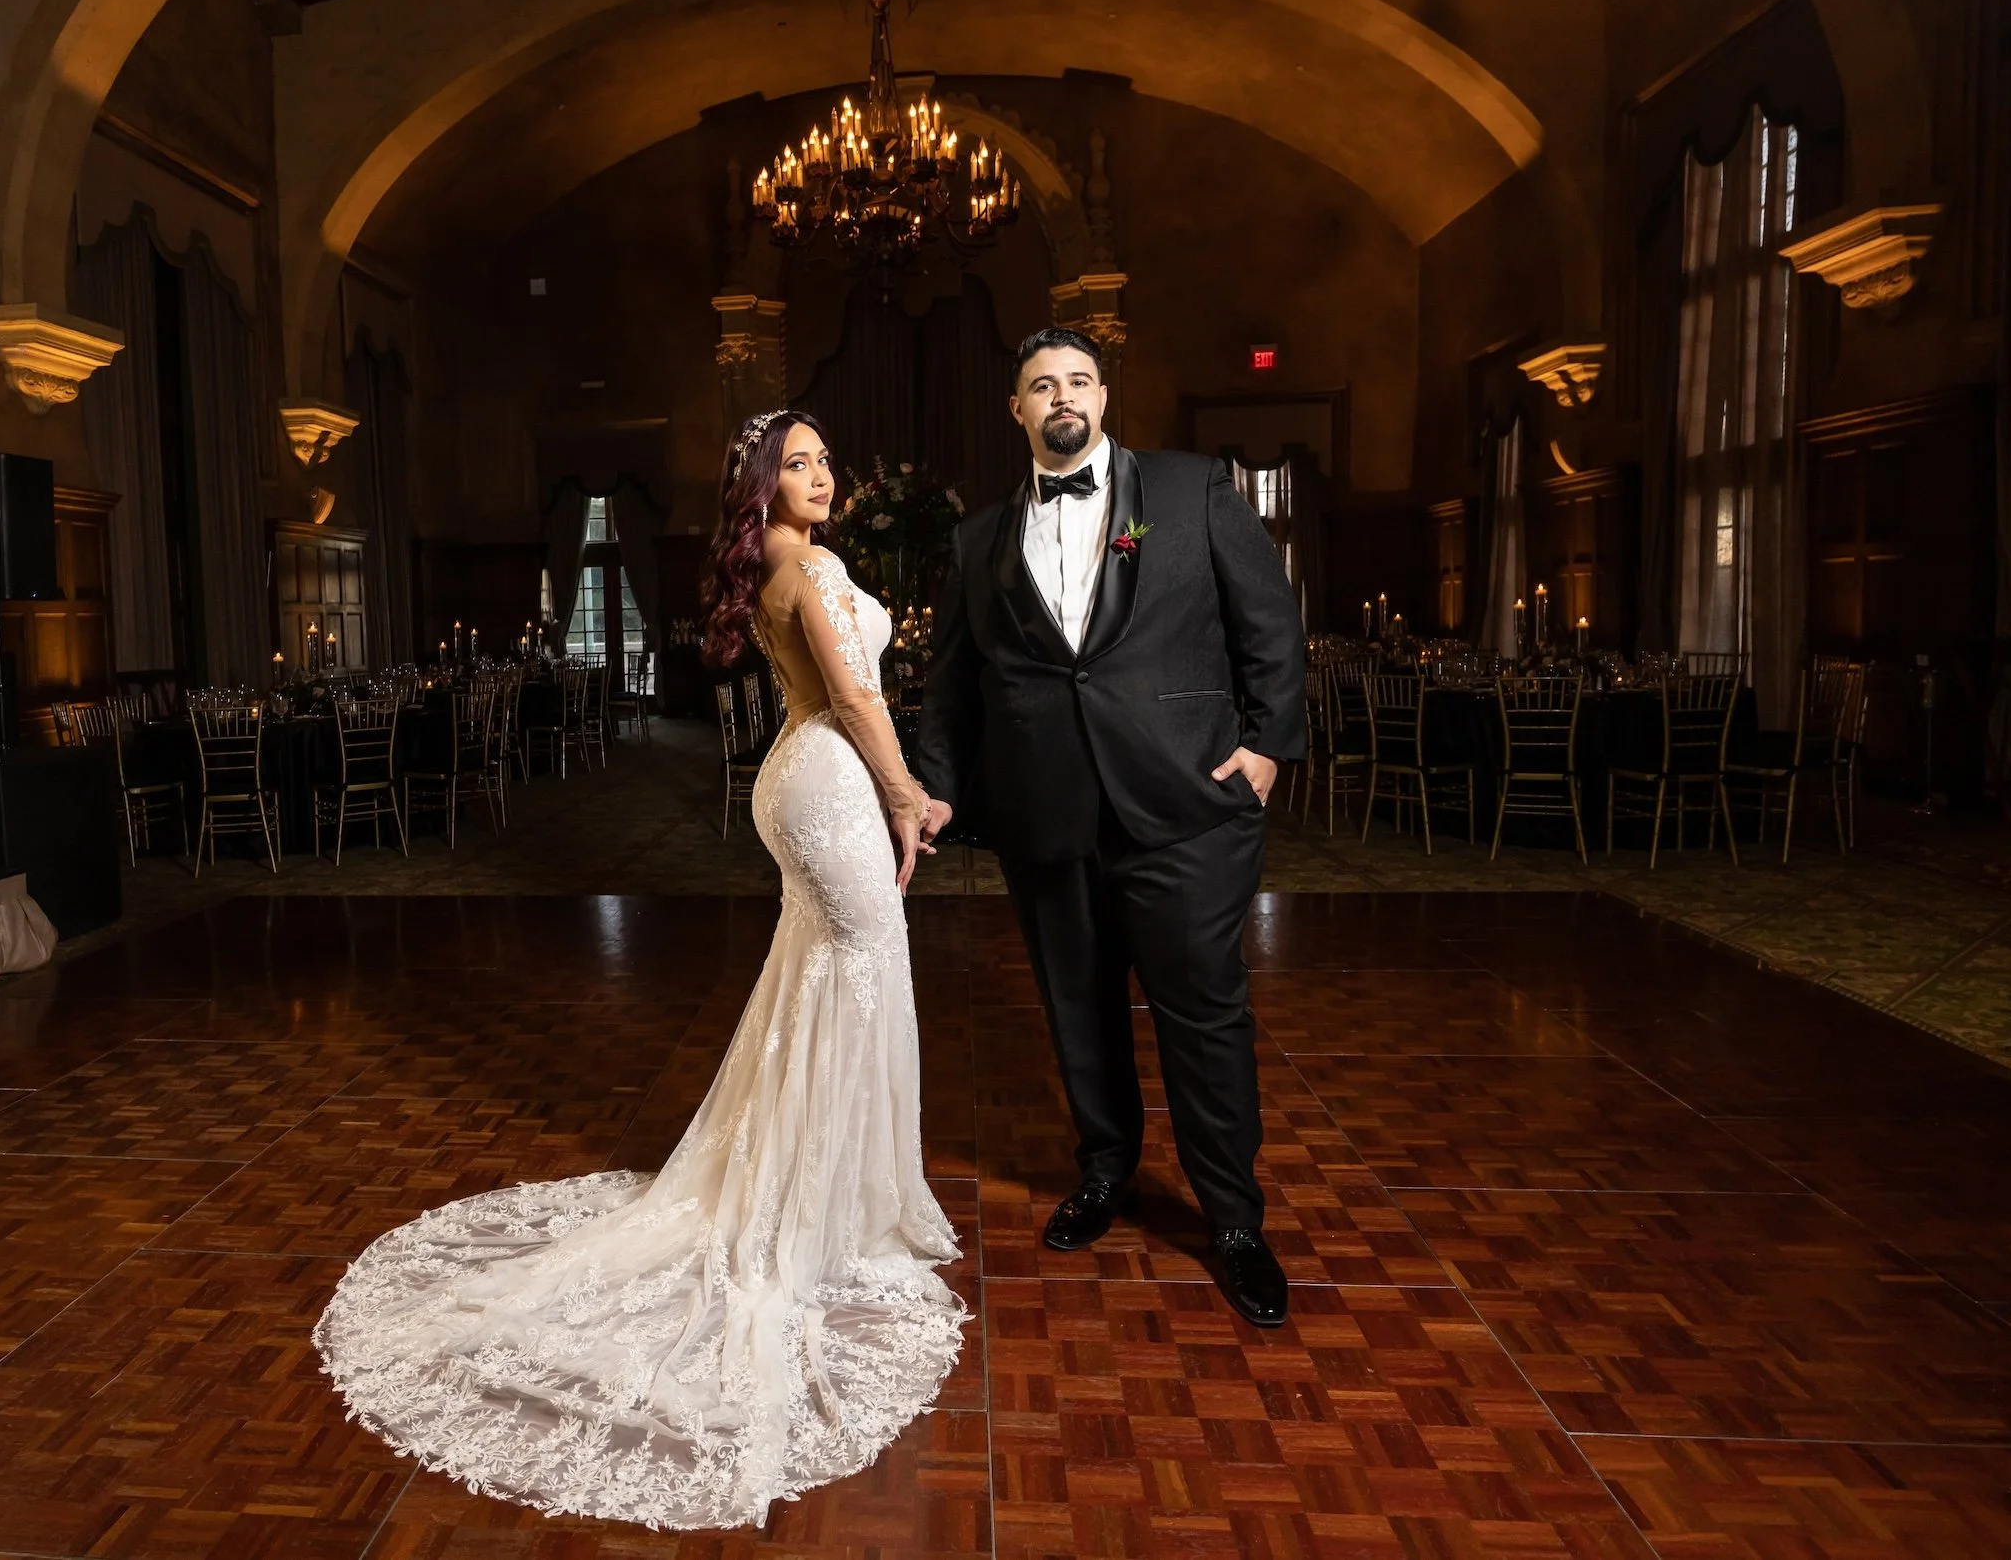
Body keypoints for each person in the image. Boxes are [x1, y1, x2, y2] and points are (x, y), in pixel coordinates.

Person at [317, 410, 961, 1530]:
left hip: (805, 778)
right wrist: (908, 795)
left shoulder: (789, 559)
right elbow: (856, 699)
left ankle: (821, 1197)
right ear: (761, 485)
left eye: (823, 458)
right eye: (795, 462)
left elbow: (850, 694)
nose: (820, 474)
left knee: (826, 976)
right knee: (857, 970)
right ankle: (820, 1215)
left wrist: (892, 794)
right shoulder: (800, 562)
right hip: (827, 775)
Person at [913, 328, 1306, 1327]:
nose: (1062, 395)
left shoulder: (1188, 489)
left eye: (1078, 379)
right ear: (1016, 408)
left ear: (1101, 394)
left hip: (1184, 807)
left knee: (1202, 1015)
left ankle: (1231, 1221)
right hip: (1046, 813)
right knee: (1077, 1013)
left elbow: (1269, 621)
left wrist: (1265, 745)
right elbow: (952, 685)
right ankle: (1105, 1169)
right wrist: (936, 790)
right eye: (1041, 383)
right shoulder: (977, 540)